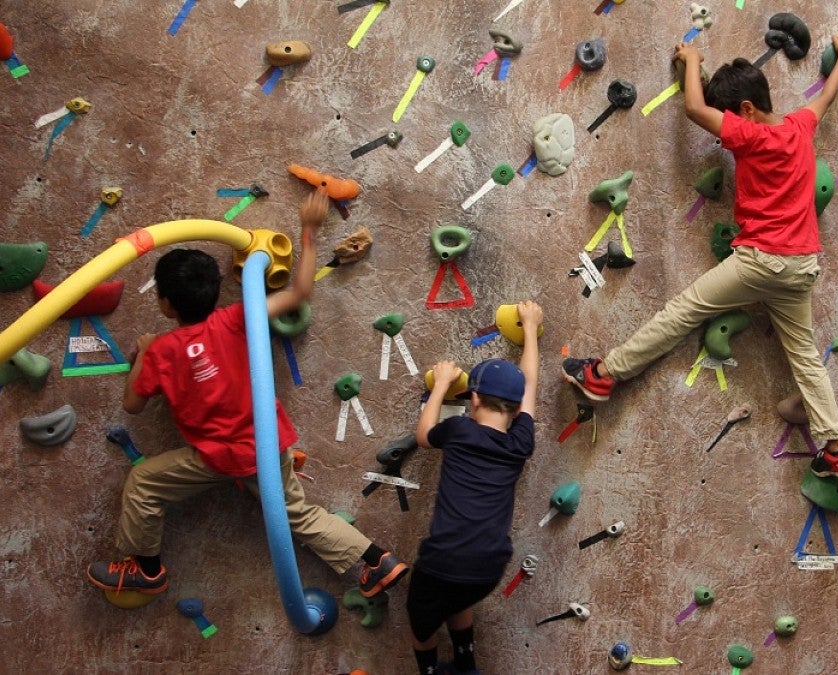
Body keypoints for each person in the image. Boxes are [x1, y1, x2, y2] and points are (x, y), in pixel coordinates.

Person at [562, 37, 838, 478]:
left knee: (682, 311)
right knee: (803, 355)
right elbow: (827, 94)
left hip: (762, 260)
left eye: (729, 119)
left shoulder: (754, 134)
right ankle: (836, 448)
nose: (723, 133)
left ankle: (604, 374)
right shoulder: (800, 125)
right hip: (801, 266)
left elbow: (694, 111)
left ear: (744, 110)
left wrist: (693, 59)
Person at [86, 191, 408, 599]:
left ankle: (146, 569)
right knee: (297, 513)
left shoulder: (163, 352)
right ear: (215, 294)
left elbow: (132, 405)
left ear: (166, 305)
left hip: (221, 456)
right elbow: (299, 293)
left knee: (143, 482)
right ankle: (377, 558)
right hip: (268, 443)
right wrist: (308, 230)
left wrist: (145, 352)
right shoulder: (237, 317)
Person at [408, 300, 542, 675]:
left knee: (421, 626)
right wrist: (530, 329)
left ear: (474, 398)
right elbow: (530, 384)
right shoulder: (521, 442)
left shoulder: (459, 430)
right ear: (516, 411)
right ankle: (466, 665)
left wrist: (441, 386)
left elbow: (423, 437)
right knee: (458, 597)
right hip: (489, 567)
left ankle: (432, 671)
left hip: (441, 561)